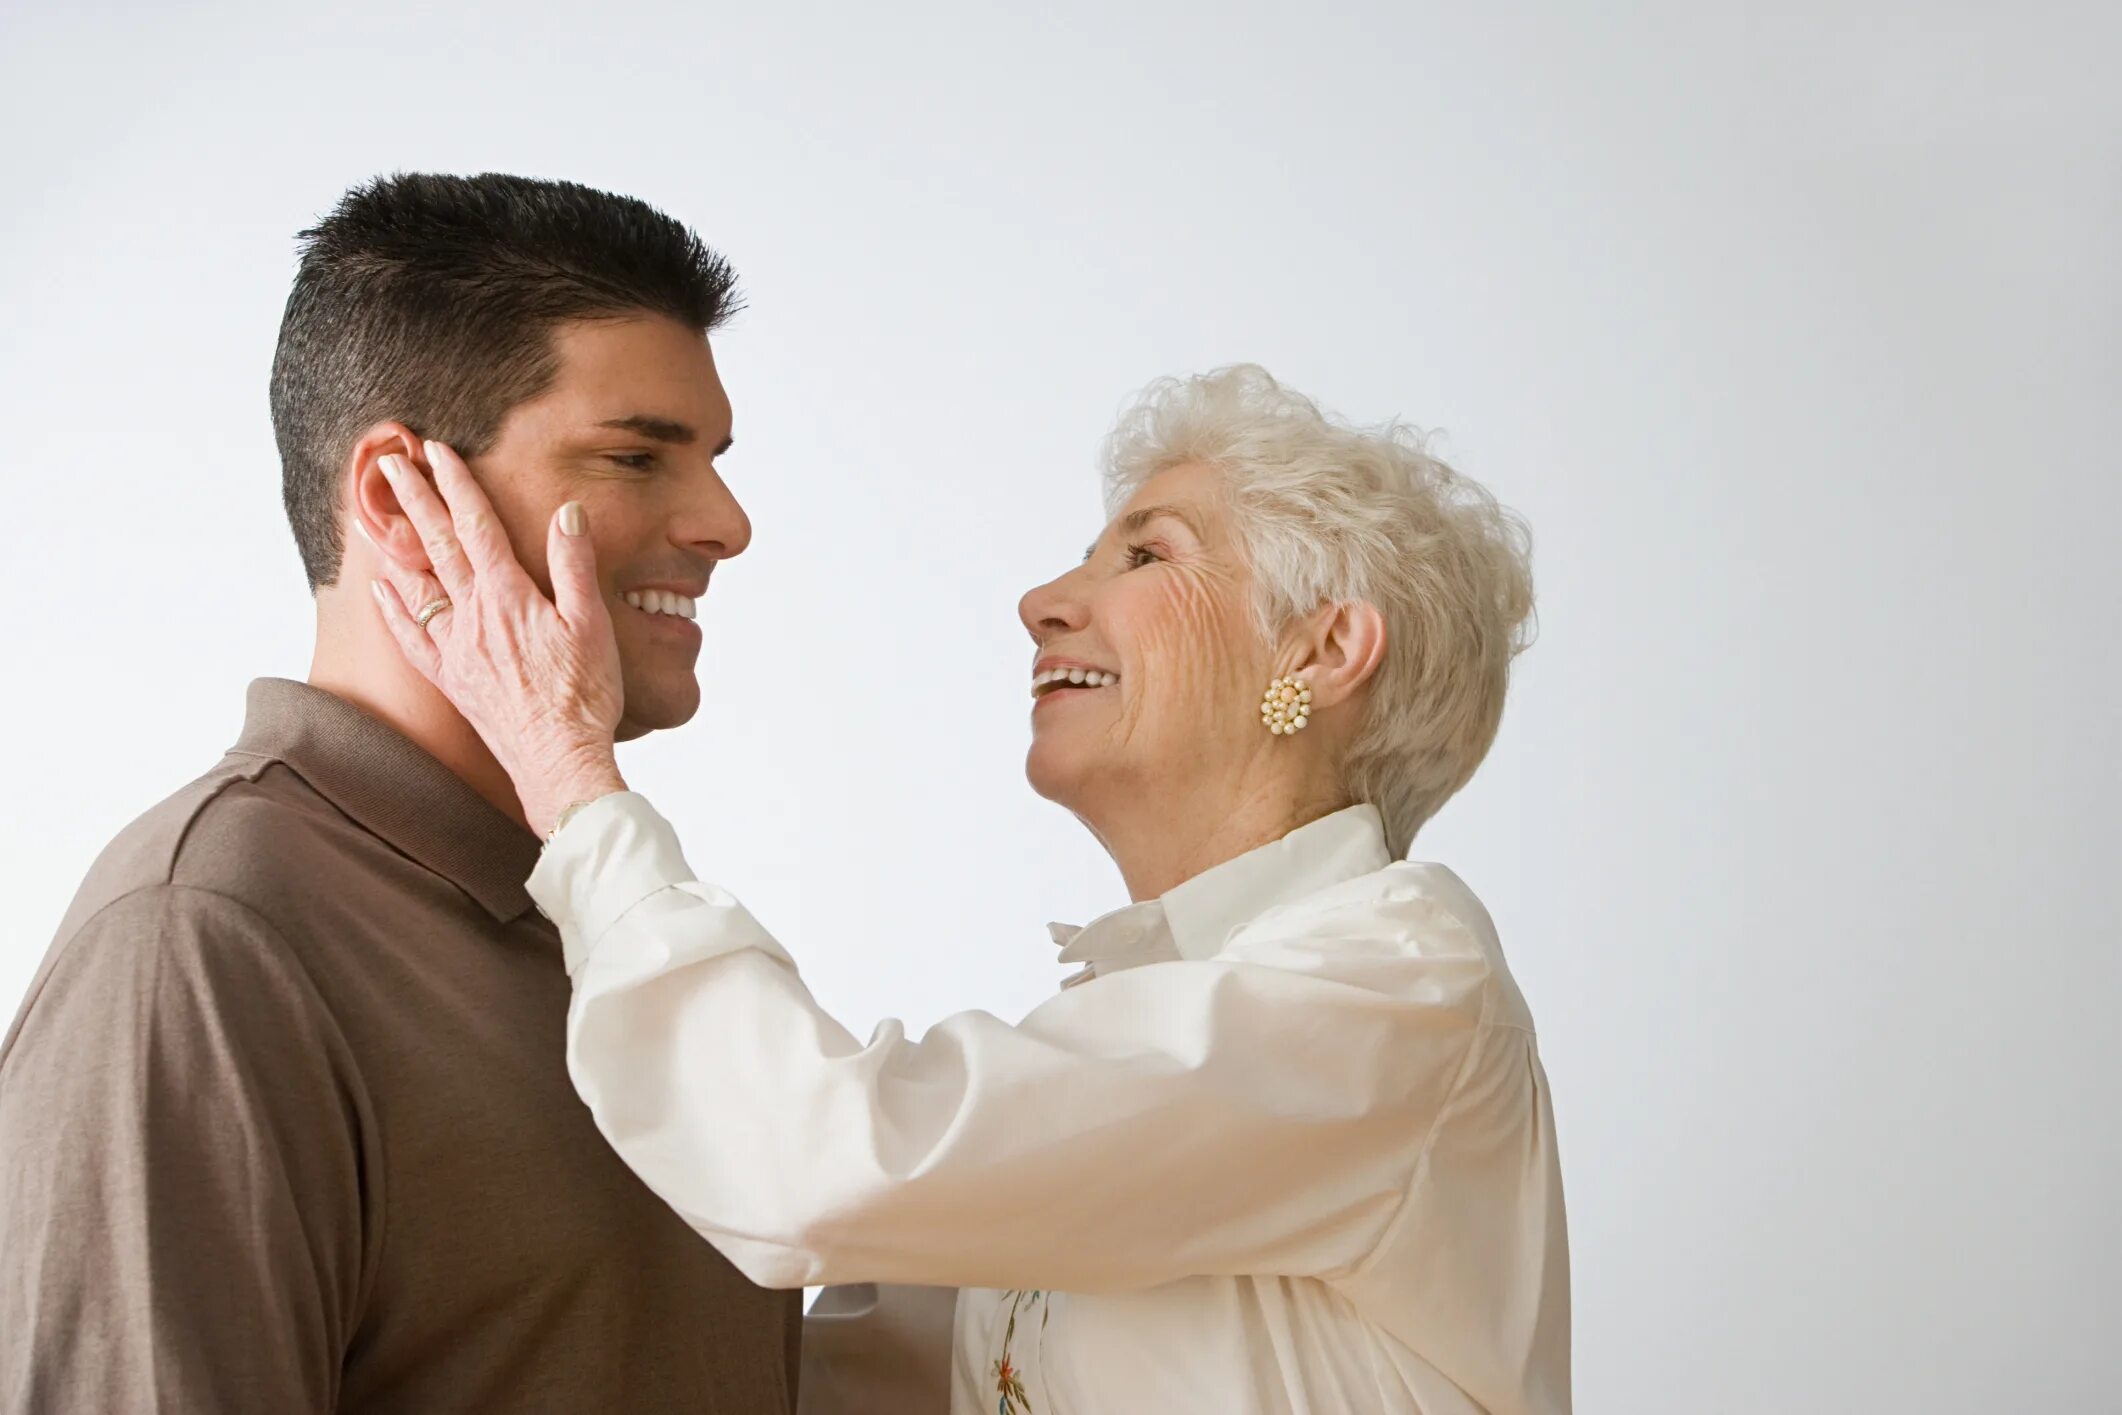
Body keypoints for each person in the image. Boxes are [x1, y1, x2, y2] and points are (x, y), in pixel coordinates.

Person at [371, 362, 1571, 1413]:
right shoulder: (1134, 1042)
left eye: (1147, 552)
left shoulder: (1400, 984)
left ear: (1318, 651)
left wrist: (569, 772)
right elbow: (803, 1367)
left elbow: (822, 1162)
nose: (1040, 598)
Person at [0, 173, 804, 1412]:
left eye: (713, 459)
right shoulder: (202, 939)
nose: (726, 523)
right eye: (637, 455)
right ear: (395, 498)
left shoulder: (615, 909)